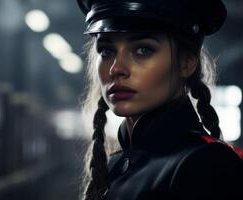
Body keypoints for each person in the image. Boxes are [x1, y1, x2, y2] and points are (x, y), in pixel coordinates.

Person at [77, 0, 243, 199]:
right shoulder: (115, 164)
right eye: (106, 51)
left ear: (187, 63)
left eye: (143, 50)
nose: (116, 69)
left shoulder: (207, 165)